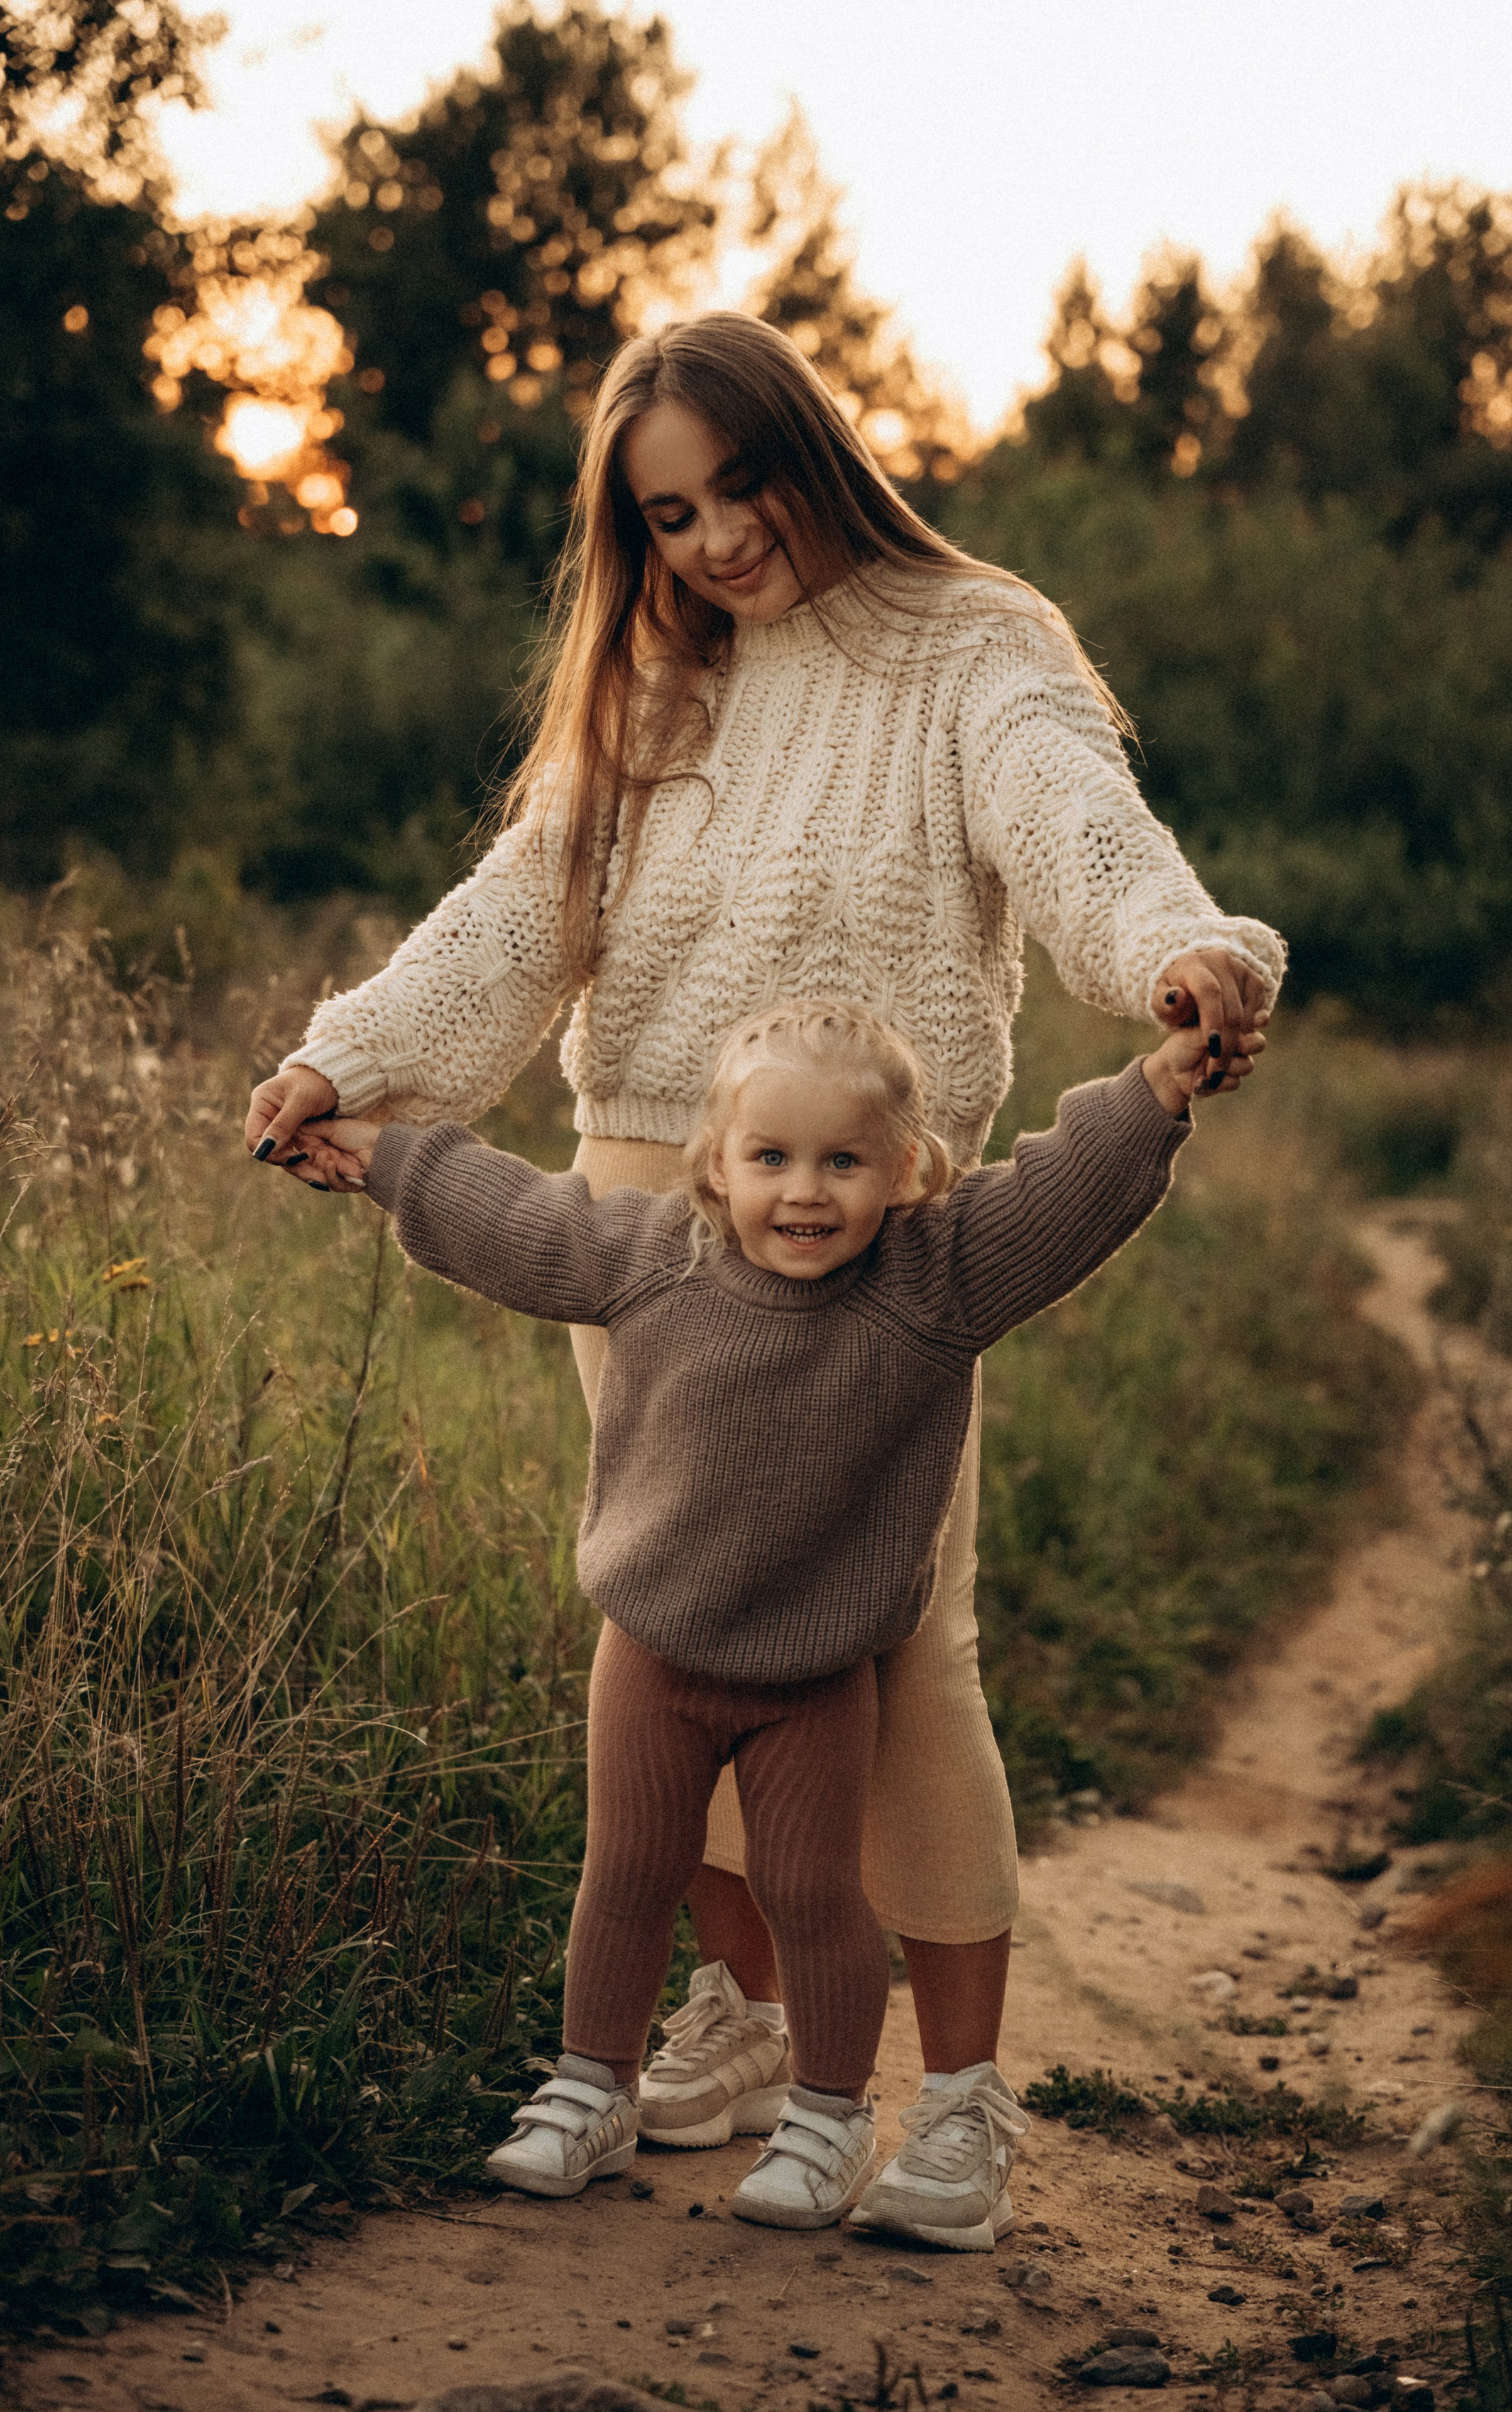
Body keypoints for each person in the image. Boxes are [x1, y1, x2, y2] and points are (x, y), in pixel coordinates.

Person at [245, 311, 1286, 2239]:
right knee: (689, 1626)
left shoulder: (976, 645)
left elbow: (1076, 822)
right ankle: (737, 2021)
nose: (715, 539)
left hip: (871, 1223)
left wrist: (1179, 948)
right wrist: (353, 1061)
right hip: (647, 1194)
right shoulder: (655, 687)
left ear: (818, 448)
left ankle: (958, 2107)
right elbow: (514, 918)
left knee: (896, 1648)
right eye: (668, 513)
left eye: (742, 485)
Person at [305, 999, 1258, 2232]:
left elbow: (1064, 1187)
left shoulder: (936, 1277)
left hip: (813, 1676)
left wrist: (1159, 1086)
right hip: (650, 1652)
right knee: (626, 1875)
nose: (803, 1192)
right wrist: (381, 1150)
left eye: (842, 1161)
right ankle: (590, 2083)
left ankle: (828, 2112)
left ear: (902, 1169)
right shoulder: (653, 1253)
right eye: (770, 1158)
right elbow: (517, 1217)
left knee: (814, 1894)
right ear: (714, 1164)